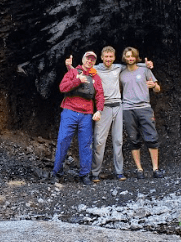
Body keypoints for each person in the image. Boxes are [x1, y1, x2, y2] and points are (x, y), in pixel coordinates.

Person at [66, 47, 153, 183]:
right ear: (101, 57)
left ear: (114, 57)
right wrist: (69, 66)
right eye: (106, 57)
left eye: (111, 57)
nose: (108, 59)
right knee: (99, 141)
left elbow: (132, 63)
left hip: (118, 106)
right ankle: (95, 173)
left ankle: (119, 172)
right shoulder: (96, 69)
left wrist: (147, 65)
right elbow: (80, 71)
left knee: (118, 141)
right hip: (104, 107)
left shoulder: (118, 67)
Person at [51, 51, 104, 185]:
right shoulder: (73, 72)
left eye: (93, 59)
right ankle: (56, 172)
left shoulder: (95, 77)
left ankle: (84, 175)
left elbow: (99, 95)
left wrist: (99, 110)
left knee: (86, 144)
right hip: (70, 112)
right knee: (63, 141)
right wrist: (77, 81)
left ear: (94, 62)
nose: (90, 61)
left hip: (86, 114)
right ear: (83, 59)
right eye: (88, 58)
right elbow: (62, 87)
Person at [120, 47, 164, 179]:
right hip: (127, 109)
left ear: (136, 57)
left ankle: (155, 169)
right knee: (133, 139)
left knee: (151, 137)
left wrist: (154, 86)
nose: (130, 58)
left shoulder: (145, 70)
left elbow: (157, 89)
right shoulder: (121, 73)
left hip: (144, 107)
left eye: (132, 56)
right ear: (124, 58)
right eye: (127, 56)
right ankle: (139, 169)